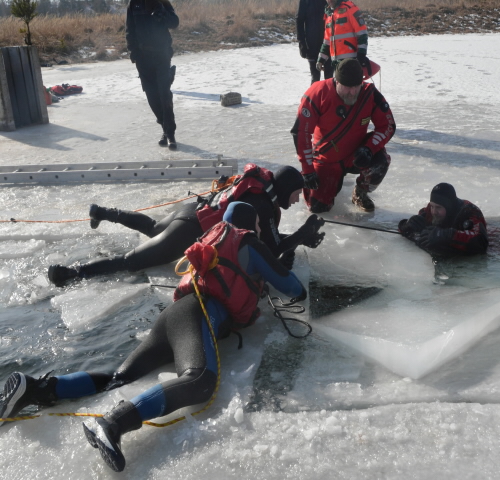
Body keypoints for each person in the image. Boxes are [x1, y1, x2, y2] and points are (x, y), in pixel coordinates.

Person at [0, 202, 307, 473]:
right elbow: (293, 288)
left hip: (173, 316)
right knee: (200, 380)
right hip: (198, 315)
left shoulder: (213, 239)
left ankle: (36, 388)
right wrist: (278, 267)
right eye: (255, 224)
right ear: (250, 222)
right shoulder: (248, 241)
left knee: (118, 377)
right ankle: (112, 424)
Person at [48, 164, 325, 287]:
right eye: (296, 192)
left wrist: (299, 237)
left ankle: (103, 212)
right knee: (132, 261)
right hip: (190, 231)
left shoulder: (262, 190)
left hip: (194, 211)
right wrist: (301, 235)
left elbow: (267, 241)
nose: (298, 198)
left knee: (156, 227)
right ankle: (72, 273)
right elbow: (272, 250)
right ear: (286, 188)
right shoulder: (263, 205)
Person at [291, 58, 395, 213]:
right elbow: (301, 133)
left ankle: (360, 192)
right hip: (326, 159)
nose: (353, 92)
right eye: (347, 87)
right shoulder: (318, 93)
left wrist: (369, 149)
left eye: (356, 86)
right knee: (318, 208)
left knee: (380, 162)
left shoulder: (369, 94)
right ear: (336, 81)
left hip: (356, 154)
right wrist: (308, 170)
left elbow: (388, 125)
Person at [126, 0, 179, 150]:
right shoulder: (134, 4)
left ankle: (170, 133)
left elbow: (174, 23)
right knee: (151, 95)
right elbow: (130, 29)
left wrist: (162, 13)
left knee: (164, 93)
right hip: (143, 57)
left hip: (162, 55)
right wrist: (133, 52)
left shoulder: (162, 2)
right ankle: (164, 127)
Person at [398, 183, 488, 255]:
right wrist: (407, 225)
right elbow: (406, 230)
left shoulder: (469, 211)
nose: (433, 212)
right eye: (432, 206)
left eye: (438, 208)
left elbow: (481, 243)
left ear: (449, 207)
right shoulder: (430, 210)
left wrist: (447, 235)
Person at [316, 0, 368, 73]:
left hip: (352, 61)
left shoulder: (350, 8)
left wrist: (361, 55)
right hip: (336, 63)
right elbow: (327, 41)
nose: (330, 1)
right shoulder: (329, 14)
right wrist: (321, 59)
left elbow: (362, 33)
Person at [297, 0, 334, 83]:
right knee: (315, 77)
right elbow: (299, 20)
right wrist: (302, 42)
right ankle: (314, 96)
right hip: (312, 44)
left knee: (330, 78)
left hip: (329, 43)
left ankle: (330, 95)